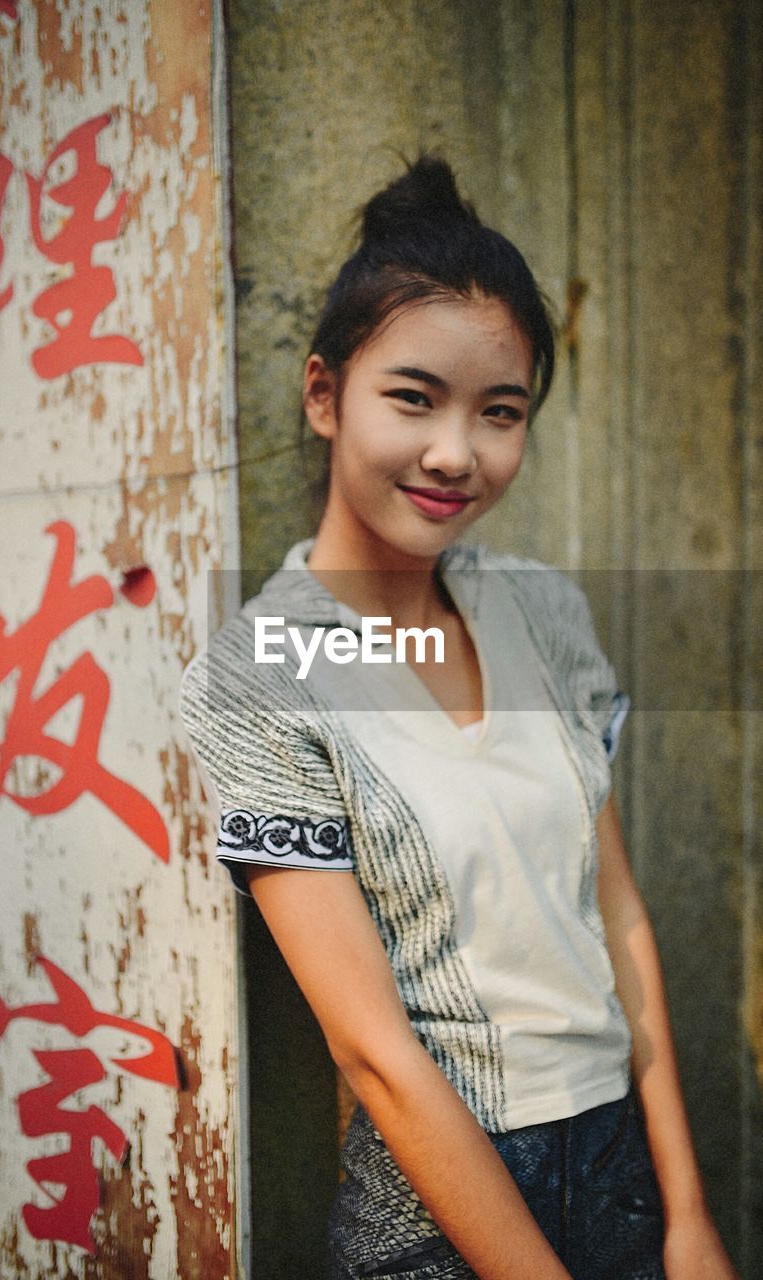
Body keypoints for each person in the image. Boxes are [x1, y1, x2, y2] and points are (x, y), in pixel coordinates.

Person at [180, 157, 737, 1280]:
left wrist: (687, 1212)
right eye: (413, 397)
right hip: (435, 1214)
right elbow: (372, 1050)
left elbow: (616, 911)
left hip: (622, 1165)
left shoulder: (543, 607)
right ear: (324, 394)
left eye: (500, 412)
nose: (456, 453)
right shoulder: (258, 674)